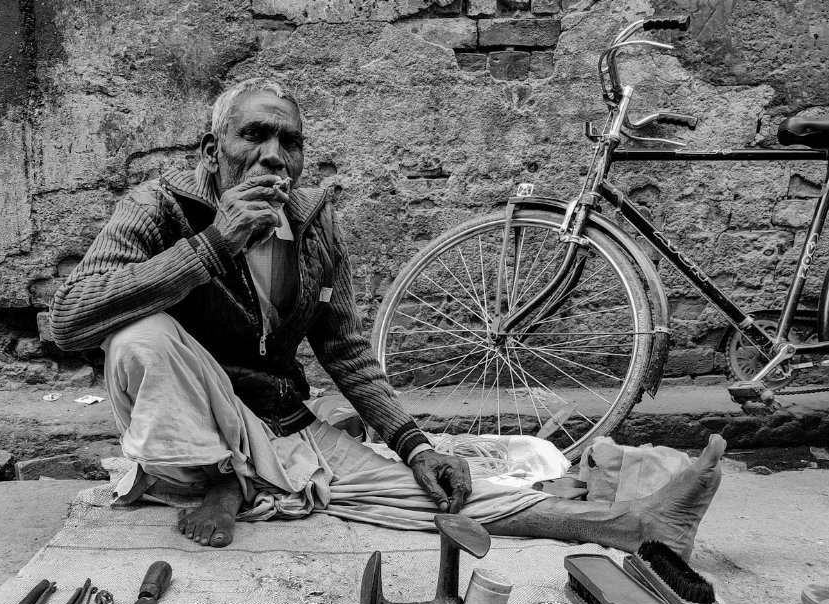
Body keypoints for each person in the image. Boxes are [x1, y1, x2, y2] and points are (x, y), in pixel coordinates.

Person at [50, 77, 722, 557]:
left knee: (435, 493)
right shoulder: (160, 207)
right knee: (140, 336)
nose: (273, 157)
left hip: (279, 424)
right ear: (211, 149)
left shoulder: (313, 226)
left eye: (290, 142)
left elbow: (344, 349)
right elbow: (70, 317)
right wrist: (211, 245)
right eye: (253, 136)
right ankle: (214, 479)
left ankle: (630, 524)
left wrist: (417, 444)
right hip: (189, 421)